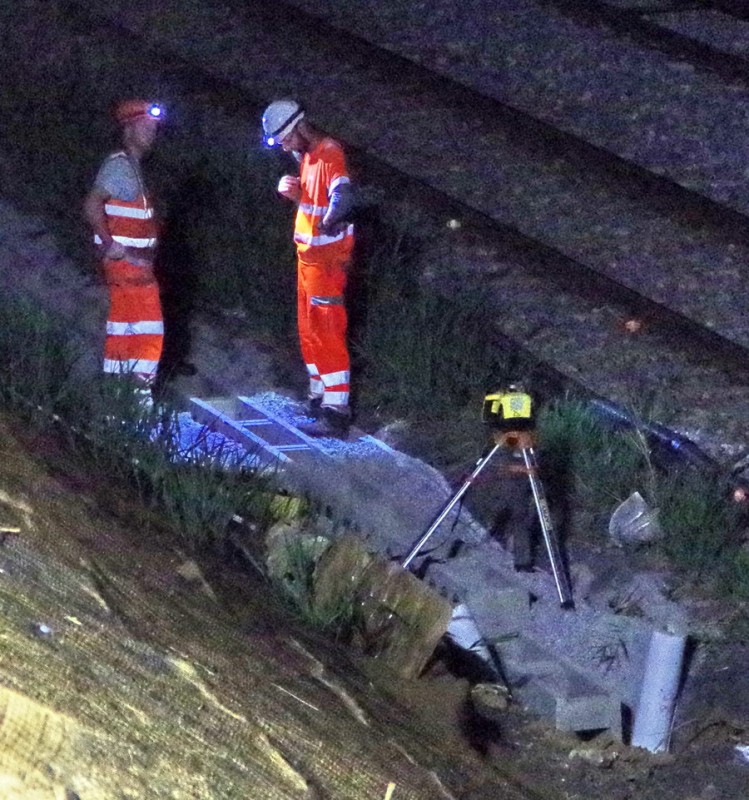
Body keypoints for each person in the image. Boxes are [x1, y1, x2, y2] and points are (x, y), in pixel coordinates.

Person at [262, 99, 356, 437]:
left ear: (299, 127)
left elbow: (341, 196)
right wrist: (295, 193)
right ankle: (318, 398)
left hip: (326, 262)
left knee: (327, 333)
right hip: (308, 260)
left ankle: (335, 410)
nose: (285, 147)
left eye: (286, 139)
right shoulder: (307, 158)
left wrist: (332, 219)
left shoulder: (329, 153)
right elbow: (312, 200)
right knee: (310, 331)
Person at [83, 99, 165, 407]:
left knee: (126, 331)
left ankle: (120, 402)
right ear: (129, 130)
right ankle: (137, 403)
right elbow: (92, 205)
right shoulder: (120, 165)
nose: (151, 134)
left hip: (136, 266)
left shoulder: (133, 167)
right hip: (128, 267)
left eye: (154, 129)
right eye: (146, 128)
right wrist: (111, 245)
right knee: (147, 331)